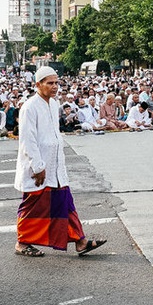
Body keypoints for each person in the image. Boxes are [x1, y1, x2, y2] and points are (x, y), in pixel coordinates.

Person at [14, 66, 106, 258]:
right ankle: (22, 243)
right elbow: (28, 140)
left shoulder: (54, 104)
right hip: (38, 166)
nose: (55, 87)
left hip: (55, 166)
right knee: (32, 207)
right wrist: (38, 167)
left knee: (65, 203)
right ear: (38, 84)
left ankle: (80, 241)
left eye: (57, 83)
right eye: (50, 83)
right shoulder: (29, 107)